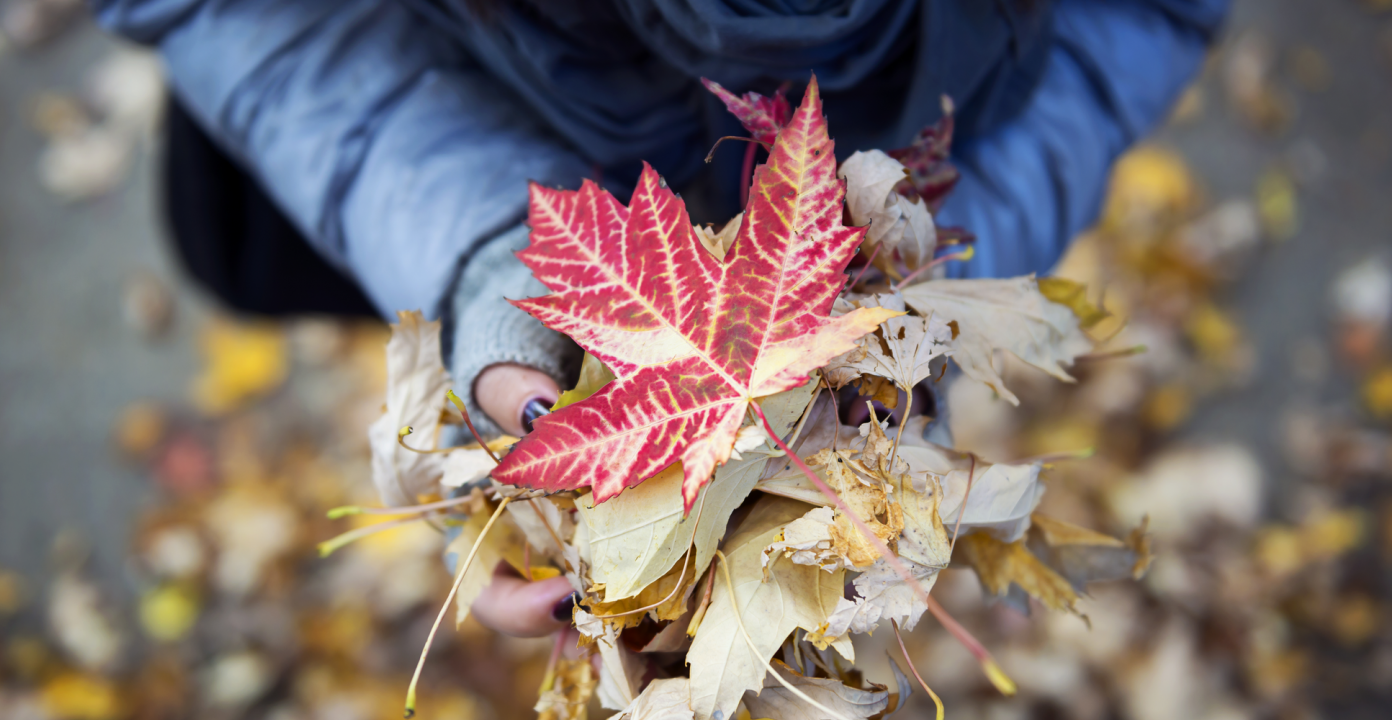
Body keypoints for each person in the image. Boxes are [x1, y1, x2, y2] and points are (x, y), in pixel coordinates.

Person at [92, 0, 1228, 639]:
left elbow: (1139, 17)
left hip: (867, 199)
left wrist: (911, 305)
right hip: (441, 108)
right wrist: (486, 265)